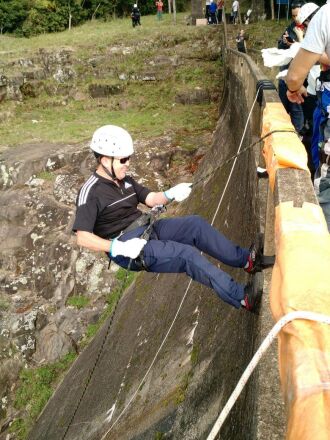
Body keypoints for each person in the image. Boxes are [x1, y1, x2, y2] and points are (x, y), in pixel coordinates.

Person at [73, 125, 266, 312]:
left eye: (129, 158)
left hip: (148, 228)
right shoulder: (91, 192)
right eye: (123, 160)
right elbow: (83, 237)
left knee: (195, 225)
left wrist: (171, 193)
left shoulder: (125, 180)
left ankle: (246, 260)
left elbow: (151, 199)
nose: (128, 163)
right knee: (186, 255)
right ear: (106, 161)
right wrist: (118, 247)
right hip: (128, 247)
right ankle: (242, 297)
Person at [286, 1, 330, 231]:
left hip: (325, 105)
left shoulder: (325, 16)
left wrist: (293, 87)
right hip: (319, 99)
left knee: (326, 186)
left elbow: (294, 77)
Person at [277, 2, 305, 134]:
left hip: (303, 77)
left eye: (298, 15)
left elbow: (308, 51)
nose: (296, 18)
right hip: (287, 73)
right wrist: (284, 42)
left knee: (297, 108)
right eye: (293, 16)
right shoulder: (290, 28)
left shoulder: (312, 27)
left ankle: (298, 133)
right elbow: (281, 45)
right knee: (284, 106)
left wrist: (293, 43)